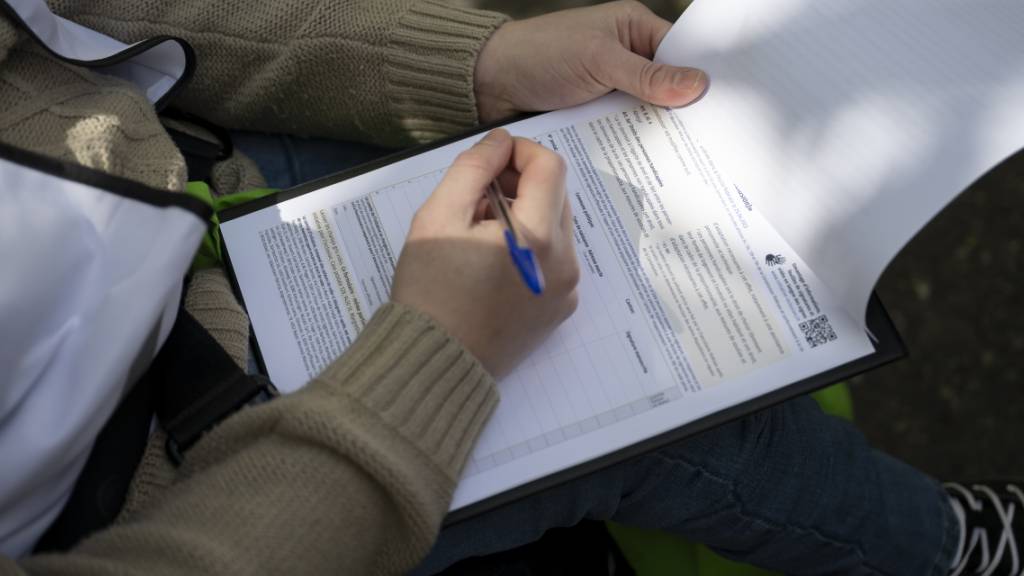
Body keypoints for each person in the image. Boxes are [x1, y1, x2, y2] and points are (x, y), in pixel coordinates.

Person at [0, 1, 1019, 575]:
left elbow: (67, 18)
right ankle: (946, 548)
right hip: (195, 476)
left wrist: (477, 63)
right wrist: (435, 356)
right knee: (694, 411)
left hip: (207, 181)